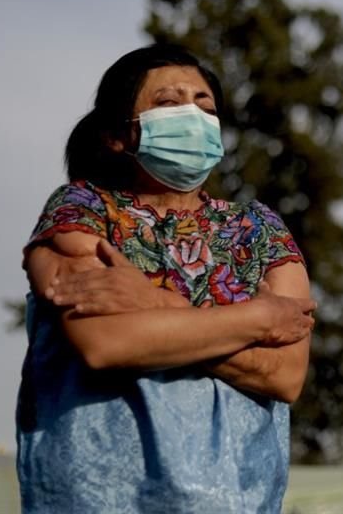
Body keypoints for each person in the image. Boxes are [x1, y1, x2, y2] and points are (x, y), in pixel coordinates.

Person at [16, 44, 316, 513]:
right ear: (119, 134)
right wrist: (257, 317)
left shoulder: (259, 230)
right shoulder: (81, 211)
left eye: (205, 105)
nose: (192, 115)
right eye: (169, 103)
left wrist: (151, 302)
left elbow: (286, 374)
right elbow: (105, 342)